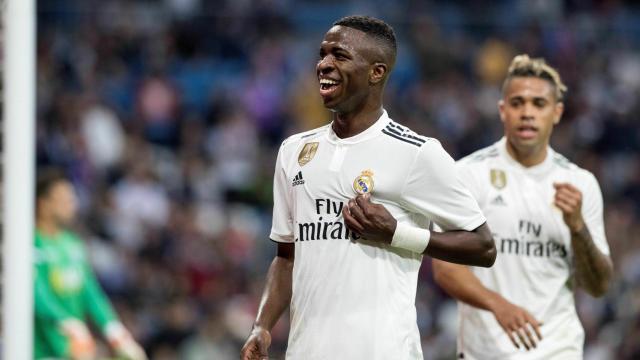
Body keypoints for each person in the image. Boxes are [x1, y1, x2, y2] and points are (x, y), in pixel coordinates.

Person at [240, 15, 496, 360]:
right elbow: (286, 258)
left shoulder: (417, 153)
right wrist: (262, 325)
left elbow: (483, 246)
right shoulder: (293, 152)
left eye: (340, 56)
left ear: (376, 72)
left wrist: (397, 233)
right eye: (323, 54)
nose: (324, 65)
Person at [431, 55, 613, 359]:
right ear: (502, 110)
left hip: (558, 350)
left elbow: (598, 285)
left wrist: (578, 228)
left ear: (556, 113)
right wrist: (498, 305)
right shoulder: (467, 175)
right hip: (485, 351)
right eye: (517, 103)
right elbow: (446, 268)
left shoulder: (580, 183)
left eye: (538, 104)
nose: (527, 112)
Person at [34, 169, 147, 360]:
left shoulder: (72, 245)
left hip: (72, 349)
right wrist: (67, 323)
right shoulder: (29, 244)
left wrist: (115, 331)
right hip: (39, 350)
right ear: (43, 205)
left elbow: (90, 291)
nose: (72, 205)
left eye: (72, 199)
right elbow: (35, 292)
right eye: (64, 200)